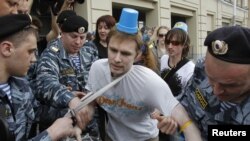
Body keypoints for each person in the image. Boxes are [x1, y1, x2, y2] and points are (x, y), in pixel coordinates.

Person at [85, 8, 202, 141]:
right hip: (111, 137)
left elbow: (185, 121)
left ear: (137, 55)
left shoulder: (148, 81)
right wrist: (82, 112)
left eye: (125, 53)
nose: (117, 59)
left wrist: (172, 120)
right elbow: (90, 102)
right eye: (113, 50)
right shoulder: (97, 68)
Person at [0, 14, 78, 141]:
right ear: (7, 49)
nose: (35, 59)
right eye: (30, 52)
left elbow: (37, 112)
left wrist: (73, 110)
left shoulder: (21, 85)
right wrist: (52, 133)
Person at [177, 26, 250, 140]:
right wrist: (186, 125)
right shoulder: (201, 67)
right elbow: (183, 100)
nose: (216, 91)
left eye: (230, 85)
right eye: (210, 78)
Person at [34, 14, 98, 139]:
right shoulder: (52, 53)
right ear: (62, 33)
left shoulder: (89, 51)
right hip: (62, 125)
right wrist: (70, 98)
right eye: (73, 36)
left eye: (82, 37)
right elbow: (45, 82)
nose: (78, 42)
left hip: (90, 124)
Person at [161, 22, 195, 97]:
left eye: (175, 43)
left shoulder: (190, 69)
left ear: (185, 45)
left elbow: (188, 98)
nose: (169, 46)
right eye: (167, 42)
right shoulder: (164, 59)